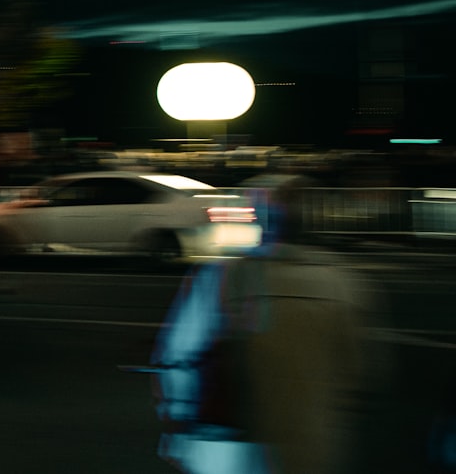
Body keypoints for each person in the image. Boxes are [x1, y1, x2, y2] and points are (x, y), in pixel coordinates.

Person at [149, 175, 382, 474]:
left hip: (230, 449)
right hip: (313, 447)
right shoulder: (344, 284)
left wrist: (177, 425)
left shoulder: (222, 278)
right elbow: (362, 377)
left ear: (260, 218)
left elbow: (178, 359)